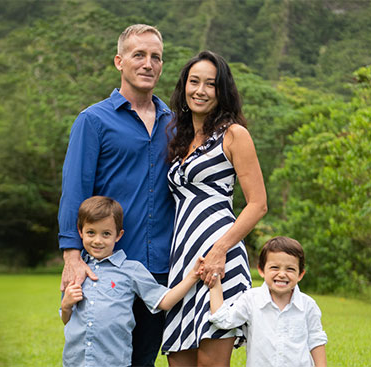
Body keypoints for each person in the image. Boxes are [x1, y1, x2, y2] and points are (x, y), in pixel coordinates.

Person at [56, 24, 174, 366]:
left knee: (142, 361)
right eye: (139, 55)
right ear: (119, 61)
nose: (148, 64)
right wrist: (72, 257)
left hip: (159, 270)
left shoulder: (176, 124)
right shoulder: (92, 121)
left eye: (156, 57)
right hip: (104, 269)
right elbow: (74, 191)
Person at [162, 51, 268, 367]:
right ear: (183, 87)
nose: (201, 90)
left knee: (211, 363)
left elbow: (258, 204)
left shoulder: (234, 134)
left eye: (211, 84)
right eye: (194, 82)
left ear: (222, 92)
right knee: (178, 357)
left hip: (221, 260)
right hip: (183, 262)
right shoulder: (178, 138)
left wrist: (220, 249)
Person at [61, 196, 202, 367]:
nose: (98, 240)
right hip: (76, 361)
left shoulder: (131, 270)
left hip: (114, 361)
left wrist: (193, 276)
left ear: (118, 235)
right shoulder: (76, 271)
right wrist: (67, 304)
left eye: (106, 234)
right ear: (80, 231)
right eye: (91, 232)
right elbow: (67, 319)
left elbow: (164, 301)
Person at [207, 236, 328, 367]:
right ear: (261, 270)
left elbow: (316, 340)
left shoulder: (308, 305)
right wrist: (215, 284)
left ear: (300, 274)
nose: (282, 274)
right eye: (275, 267)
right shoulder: (251, 300)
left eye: (290, 269)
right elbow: (223, 320)